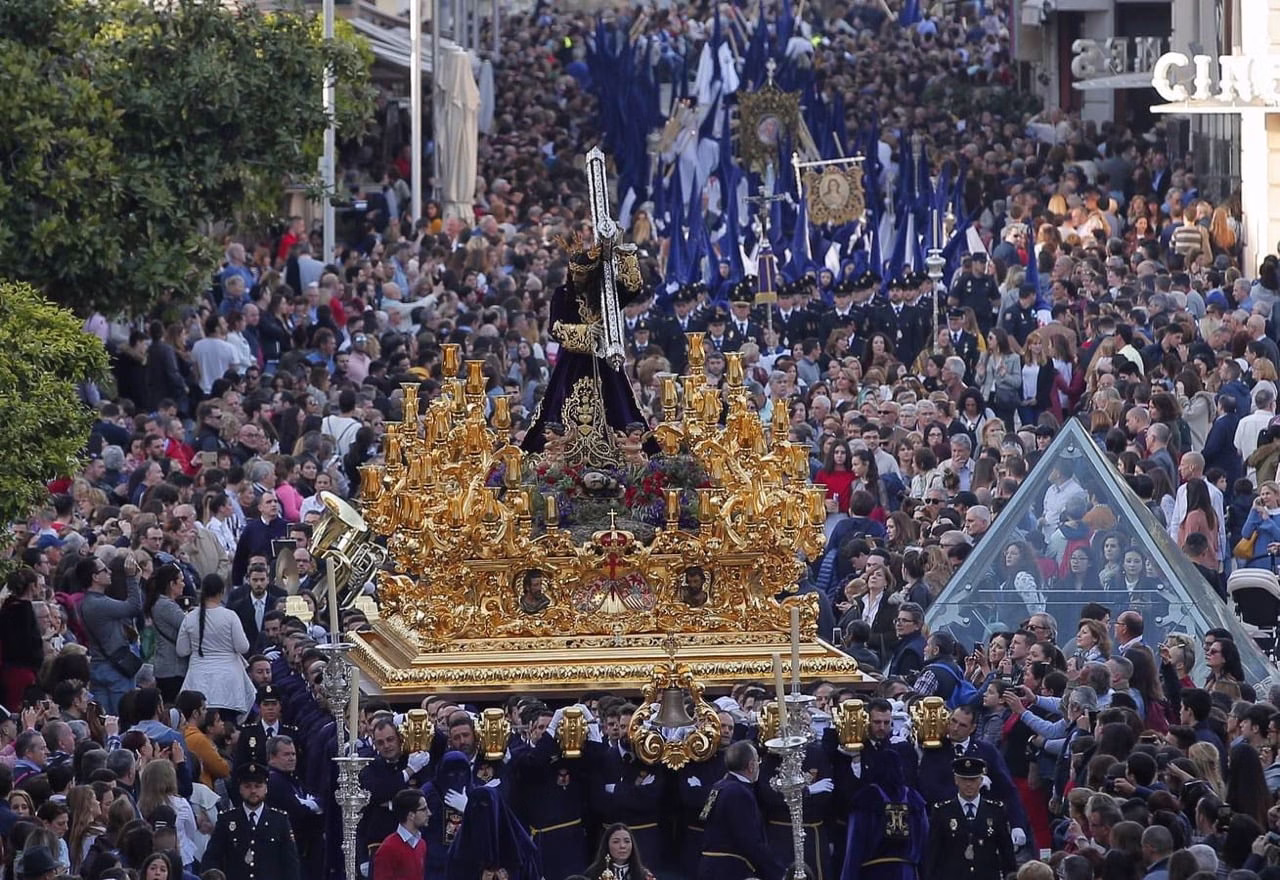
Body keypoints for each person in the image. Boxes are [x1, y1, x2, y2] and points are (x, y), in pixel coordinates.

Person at [521, 247, 648, 461]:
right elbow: (555, 328)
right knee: (556, 410)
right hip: (572, 364)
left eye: (583, 274)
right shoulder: (562, 295)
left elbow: (633, 287)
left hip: (604, 363)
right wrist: (586, 332)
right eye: (575, 273)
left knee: (618, 409)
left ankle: (620, 454)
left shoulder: (606, 294)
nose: (577, 279)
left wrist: (626, 255)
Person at [698, 740, 784, 880]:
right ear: (751, 766)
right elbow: (750, 841)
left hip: (709, 866)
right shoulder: (739, 793)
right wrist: (778, 873)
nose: (759, 765)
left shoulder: (718, 786)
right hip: (728, 870)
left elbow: (703, 819)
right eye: (758, 761)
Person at [176, 575, 257, 720]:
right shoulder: (230, 616)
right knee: (227, 725)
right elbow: (243, 647)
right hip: (229, 684)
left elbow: (182, 650)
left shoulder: (190, 617)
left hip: (198, 680)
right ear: (222, 592)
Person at [202, 762, 301, 880]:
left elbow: (291, 864)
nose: (253, 791)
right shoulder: (227, 820)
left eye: (258, 786)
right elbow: (212, 857)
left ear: (266, 789)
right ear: (240, 789)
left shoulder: (279, 820)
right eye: (247, 786)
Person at [922, 757, 1017, 880]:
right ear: (956, 780)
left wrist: (1010, 875)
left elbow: (1006, 850)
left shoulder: (995, 811)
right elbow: (933, 853)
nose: (968, 784)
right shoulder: (942, 812)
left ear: (981, 780)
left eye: (973, 779)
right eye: (964, 779)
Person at [80, 553, 144, 714]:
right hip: (115, 669)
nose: (109, 572)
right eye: (104, 570)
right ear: (95, 577)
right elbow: (133, 607)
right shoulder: (99, 603)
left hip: (98, 666)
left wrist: (135, 581)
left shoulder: (87, 602)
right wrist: (131, 578)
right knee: (123, 716)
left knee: (103, 720)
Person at [373, 789, 430, 880]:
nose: (429, 813)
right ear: (411, 815)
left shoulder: (421, 844)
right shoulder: (388, 849)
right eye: (424, 809)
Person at [584, 823, 656, 880]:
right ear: (607, 845)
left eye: (627, 841)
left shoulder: (644, 875)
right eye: (616, 842)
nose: (622, 846)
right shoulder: (592, 874)